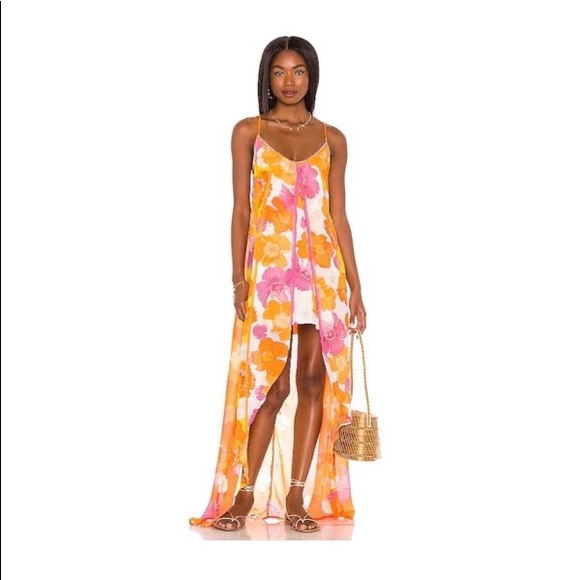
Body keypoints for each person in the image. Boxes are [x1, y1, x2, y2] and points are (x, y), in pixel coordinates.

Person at [189, 35, 367, 533]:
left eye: (299, 71)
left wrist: (356, 285)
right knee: (270, 385)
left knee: (313, 383)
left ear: (312, 76)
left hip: (323, 273)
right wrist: (237, 277)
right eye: (279, 71)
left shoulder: (333, 138)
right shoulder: (249, 131)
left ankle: (296, 497)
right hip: (268, 275)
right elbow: (240, 209)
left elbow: (338, 215)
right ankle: (243, 494)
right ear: (267, 77)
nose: (289, 81)